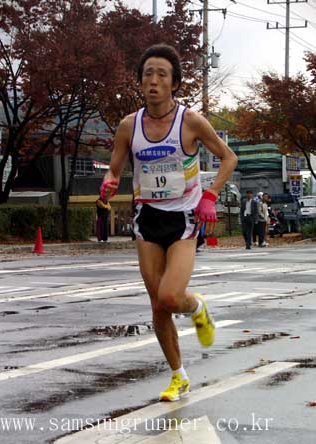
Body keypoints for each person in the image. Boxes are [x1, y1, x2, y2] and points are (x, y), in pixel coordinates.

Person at [100, 44, 237, 402]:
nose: (154, 81)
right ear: (140, 81)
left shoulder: (190, 121)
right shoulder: (129, 126)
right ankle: (178, 375)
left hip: (185, 219)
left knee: (171, 296)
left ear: (174, 83)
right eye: (148, 74)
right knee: (157, 305)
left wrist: (210, 197)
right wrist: (110, 180)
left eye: (162, 74)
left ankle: (197, 308)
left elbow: (228, 158)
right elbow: (115, 166)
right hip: (148, 218)